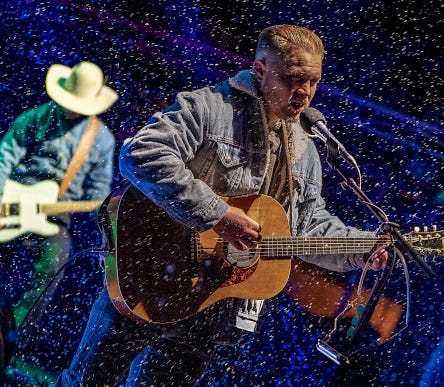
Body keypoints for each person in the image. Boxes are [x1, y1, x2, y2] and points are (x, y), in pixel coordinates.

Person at [56, 24, 387, 386]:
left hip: (210, 302)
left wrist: (363, 249)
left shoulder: (304, 146)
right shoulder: (209, 107)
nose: (304, 92)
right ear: (260, 70)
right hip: (148, 276)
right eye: (292, 78)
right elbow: (141, 153)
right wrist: (216, 215)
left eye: (312, 81)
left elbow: (306, 225)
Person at [0, 61, 118, 327]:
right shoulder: (34, 118)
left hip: (55, 217)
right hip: (9, 203)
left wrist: (100, 206)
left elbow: (99, 192)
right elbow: (4, 159)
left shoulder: (101, 138)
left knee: (53, 267)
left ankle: (12, 334)